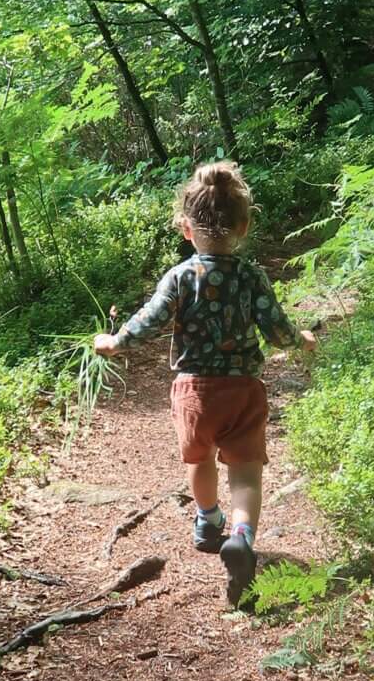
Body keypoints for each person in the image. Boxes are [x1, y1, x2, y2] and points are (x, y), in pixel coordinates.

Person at [93, 160, 316, 606]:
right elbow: (276, 329)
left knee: (200, 460)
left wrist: (114, 342)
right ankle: (242, 535)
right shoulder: (251, 276)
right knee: (246, 470)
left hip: (194, 391)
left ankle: (208, 518)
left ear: (185, 228)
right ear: (244, 225)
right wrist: (301, 340)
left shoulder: (180, 277)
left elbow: (149, 321)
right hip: (242, 389)